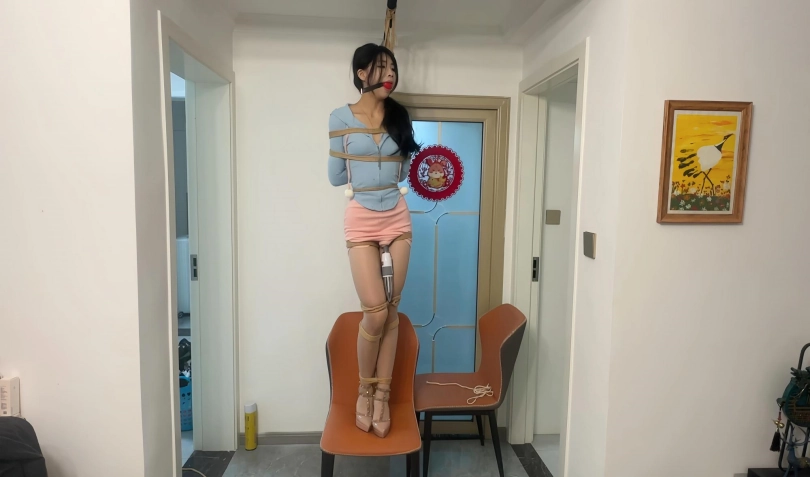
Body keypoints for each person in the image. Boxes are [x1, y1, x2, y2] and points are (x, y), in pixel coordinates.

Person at [327, 43, 419, 438]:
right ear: (362, 73)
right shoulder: (340, 117)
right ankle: (363, 391)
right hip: (361, 219)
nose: (390, 74)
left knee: (392, 310)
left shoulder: (399, 116)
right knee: (376, 313)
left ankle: (382, 398)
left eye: (393, 68)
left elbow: (405, 169)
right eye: (382, 67)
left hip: (397, 217)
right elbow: (335, 176)